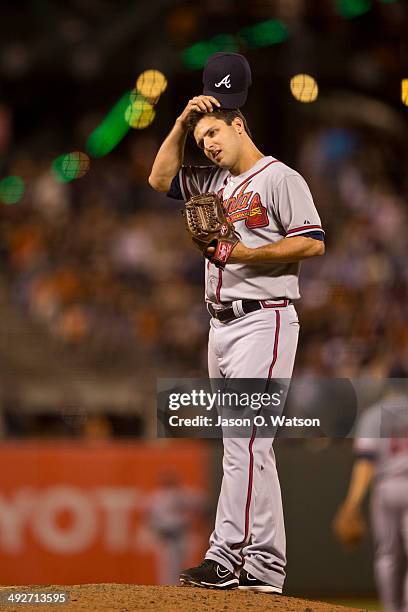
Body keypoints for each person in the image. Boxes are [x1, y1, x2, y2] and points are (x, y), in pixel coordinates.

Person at [148, 78, 325, 592]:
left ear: (239, 123)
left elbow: (312, 243)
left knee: (246, 443)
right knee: (247, 447)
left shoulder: (279, 178)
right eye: (201, 138)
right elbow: (159, 179)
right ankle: (266, 567)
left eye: (213, 133)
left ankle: (226, 555)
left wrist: (244, 254)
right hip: (220, 325)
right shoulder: (218, 186)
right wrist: (182, 123)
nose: (208, 144)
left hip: (263, 320)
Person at [333, 374, 408, 612]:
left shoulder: (374, 414)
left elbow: (365, 462)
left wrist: (352, 503)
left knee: (386, 554)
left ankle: (391, 608)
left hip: (385, 487)